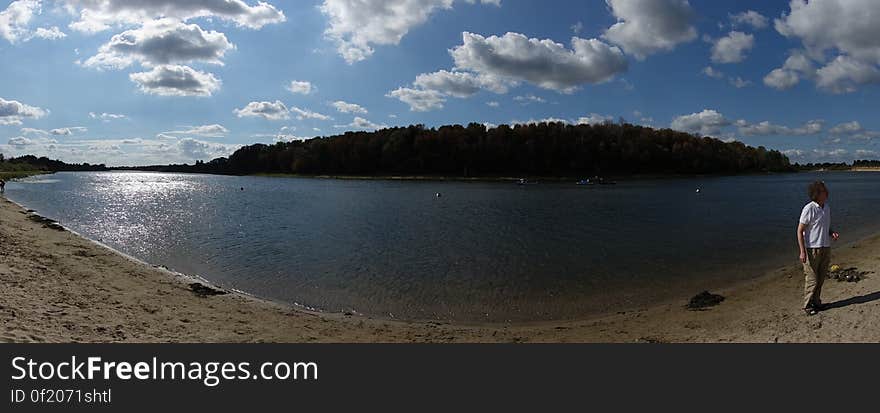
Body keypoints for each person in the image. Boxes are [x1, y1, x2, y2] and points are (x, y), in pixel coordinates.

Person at [796, 181, 840, 316]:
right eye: (823, 191)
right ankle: (807, 305)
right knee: (812, 279)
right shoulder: (809, 208)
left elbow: (825, 226)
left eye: (825, 190)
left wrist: (831, 232)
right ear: (816, 194)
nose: (826, 192)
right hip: (811, 249)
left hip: (825, 247)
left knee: (821, 278)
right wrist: (802, 251)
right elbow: (799, 231)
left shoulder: (826, 207)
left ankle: (817, 302)